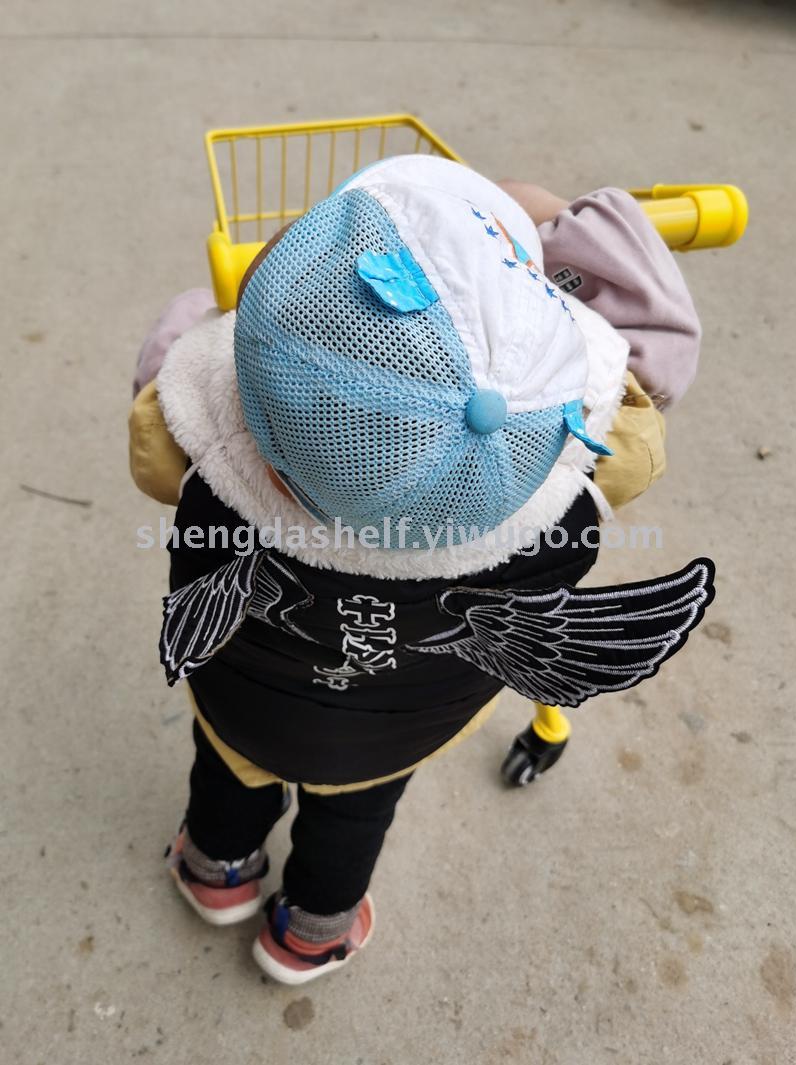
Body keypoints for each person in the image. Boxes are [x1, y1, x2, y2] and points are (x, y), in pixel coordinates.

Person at [130, 155, 712, 985]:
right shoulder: (594, 462)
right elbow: (657, 349)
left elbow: (168, 381)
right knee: (355, 812)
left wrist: (208, 315)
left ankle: (214, 872)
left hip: (243, 700)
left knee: (228, 771)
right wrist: (536, 215)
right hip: (395, 727)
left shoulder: (195, 436)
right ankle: (312, 932)